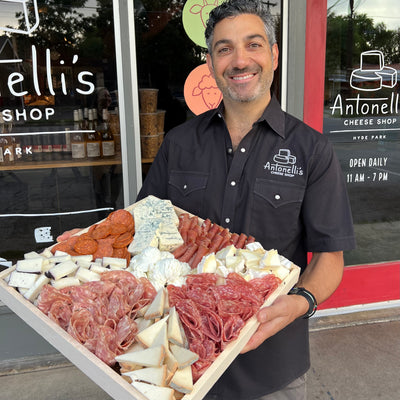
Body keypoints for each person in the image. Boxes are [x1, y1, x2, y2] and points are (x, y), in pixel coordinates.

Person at [58, 1, 355, 398]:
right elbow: (143, 229)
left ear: (273, 55)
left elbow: (330, 258)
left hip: (272, 368)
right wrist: (93, 247)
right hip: (178, 360)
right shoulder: (179, 143)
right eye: (224, 48)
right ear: (211, 64)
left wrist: (299, 302)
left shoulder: (311, 150)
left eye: (253, 45)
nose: (239, 60)